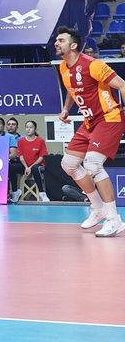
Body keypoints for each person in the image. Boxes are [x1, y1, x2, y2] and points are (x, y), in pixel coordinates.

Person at [54, 27, 125, 236]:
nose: (56, 43)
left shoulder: (94, 65)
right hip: (89, 122)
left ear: (73, 45)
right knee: (68, 164)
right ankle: (98, 208)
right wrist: (66, 109)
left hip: (109, 118)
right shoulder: (63, 67)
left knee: (93, 164)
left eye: (61, 40)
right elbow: (72, 89)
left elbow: (122, 85)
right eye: (56, 40)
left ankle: (114, 219)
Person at [16, 120, 50, 202]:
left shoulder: (40, 141)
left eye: (31, 127)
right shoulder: (21, 141)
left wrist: (30, 167)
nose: (28, 129)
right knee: (13, 167)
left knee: (35, 168)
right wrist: (26, 167)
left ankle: (42, 193)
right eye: (27, 127)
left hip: (38, 165)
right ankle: (15, 192)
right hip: (25, 166)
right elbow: (21, 156)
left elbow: (41, 157)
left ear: (35, 129)